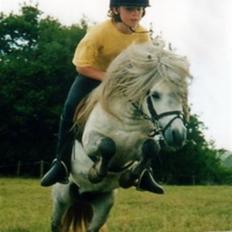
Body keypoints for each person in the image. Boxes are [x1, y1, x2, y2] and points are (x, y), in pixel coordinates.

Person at [41, 0, 164, 194]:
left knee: (147, 109)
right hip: (92, 76)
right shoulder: (99, 32)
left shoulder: (143, 34)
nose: (135, 14)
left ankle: (144, 172)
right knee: (70, 108)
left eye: (139, 10)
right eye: (130, 9)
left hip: (124, 82)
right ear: (115, 10)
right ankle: (61, 164)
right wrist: (109, 79)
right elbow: (82, 66)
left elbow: (145, 65)